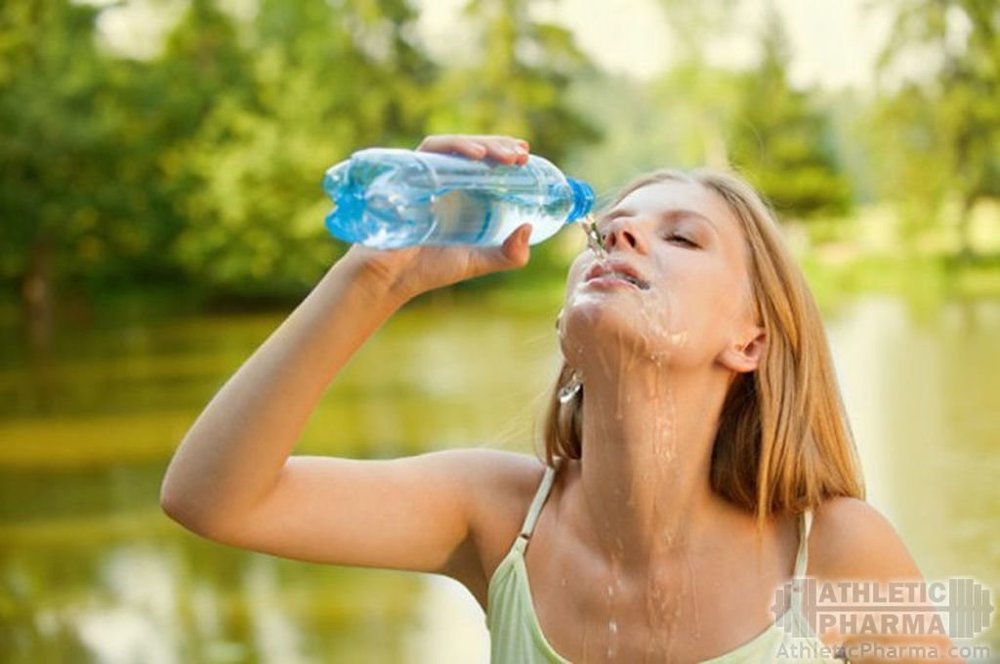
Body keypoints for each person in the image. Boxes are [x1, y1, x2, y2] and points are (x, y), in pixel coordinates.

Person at [161, 135, 958, 663]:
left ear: (748, 341)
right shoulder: (499, 519)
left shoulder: (834, 552)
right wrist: (378, 275)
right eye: (611, 229)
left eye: (680, 237)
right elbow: (214, 498)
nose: (621, 236)